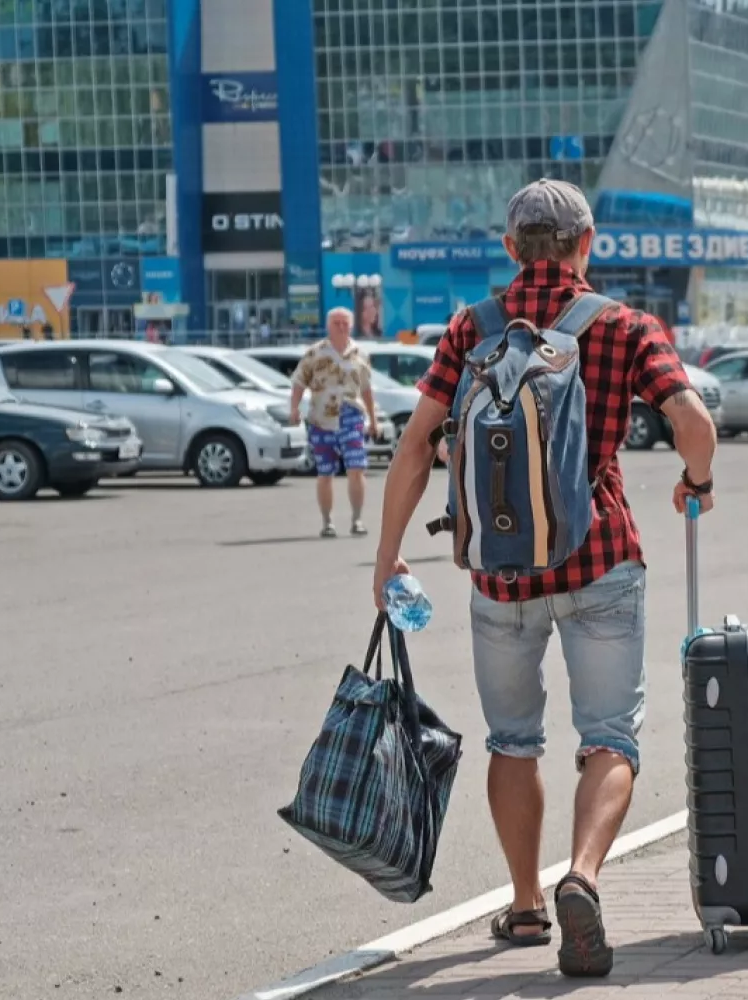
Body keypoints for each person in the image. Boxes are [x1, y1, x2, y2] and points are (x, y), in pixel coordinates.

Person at [371, 179, 717, 977]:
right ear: (586, 246)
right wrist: (695, 482)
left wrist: (390, 554)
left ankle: (525, 904)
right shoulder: (623, 325)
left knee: (512, 741)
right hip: (601, 562)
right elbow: (693, 424)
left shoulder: (471, 328)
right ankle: (583, 879)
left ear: (509, 248)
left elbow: (419, 443)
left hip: (499, 576)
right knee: (611, 737)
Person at [290, 307, 381, 537]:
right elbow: (299, 382)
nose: (341, 327)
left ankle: (357, 519)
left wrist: (373, 419)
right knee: (325, 472)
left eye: (345, 323)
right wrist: (294, 409)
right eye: (336, 323)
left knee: (356, 468)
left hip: (351, 416)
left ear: (351, 326)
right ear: (328, 326)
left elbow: (367, 389)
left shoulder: (360, 353)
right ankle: (327, 521)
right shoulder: (315, 353)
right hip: (321, 418)